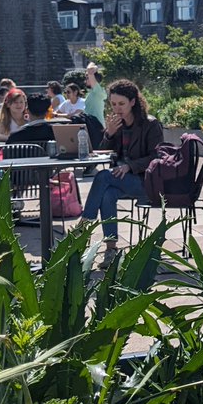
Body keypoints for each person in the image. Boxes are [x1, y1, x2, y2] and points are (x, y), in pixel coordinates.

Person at [79, 78, 163, 269]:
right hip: (122, 181)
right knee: (107, 194)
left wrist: (129, 166)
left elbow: (157, 156)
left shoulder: (150, 125)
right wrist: (108, 133)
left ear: (133, 102)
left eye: (122, 104)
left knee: (102, 177)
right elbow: (102, 153)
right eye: (113, 104)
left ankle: (84, 225)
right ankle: (111, 250)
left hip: (145, 181)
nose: (117, 108)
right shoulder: (117, 124)